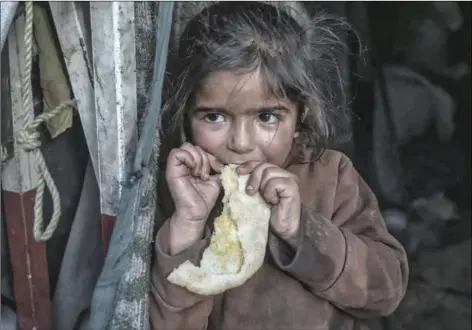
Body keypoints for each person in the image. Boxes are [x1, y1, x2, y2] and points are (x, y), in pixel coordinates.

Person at [150, 2, 409, 329]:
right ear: (186, 116)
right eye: (214, 117)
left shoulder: (330, 175)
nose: (241, 144)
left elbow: (386, 291)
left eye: (267, 117)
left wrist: (303, 230)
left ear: (301, 115)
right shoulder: (178, 193)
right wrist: (187, 226)